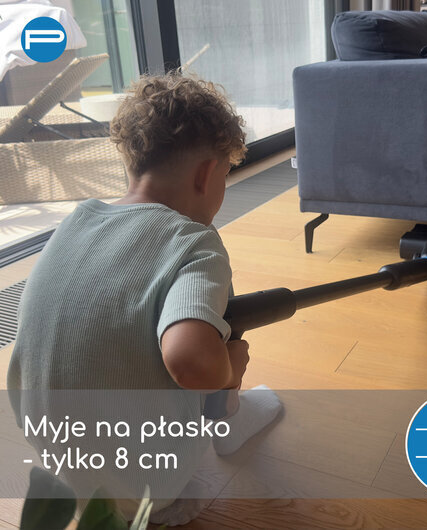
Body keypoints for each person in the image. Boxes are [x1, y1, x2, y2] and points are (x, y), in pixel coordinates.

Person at [7, 72, 282, 526]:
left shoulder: (76, 221)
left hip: (53, 457)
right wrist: (229, 367)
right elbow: (190, 362)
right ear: (206, 174)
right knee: (215, 324)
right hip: (142, 482)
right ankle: (226, 417)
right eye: (226, 175)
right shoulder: (194, 242)